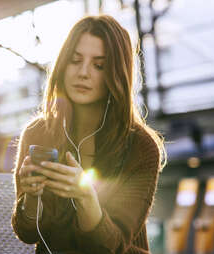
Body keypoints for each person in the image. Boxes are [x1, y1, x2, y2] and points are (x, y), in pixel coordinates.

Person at [11, 15, 166, 254]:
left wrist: (85, 198)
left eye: (99, 65)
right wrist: (31, 197)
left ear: (116, 74)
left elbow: (113, 246)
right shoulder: (38, 133)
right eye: (75, 60)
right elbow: (28, 233)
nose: (83, 72)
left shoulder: (141, 146)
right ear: (63, 65)